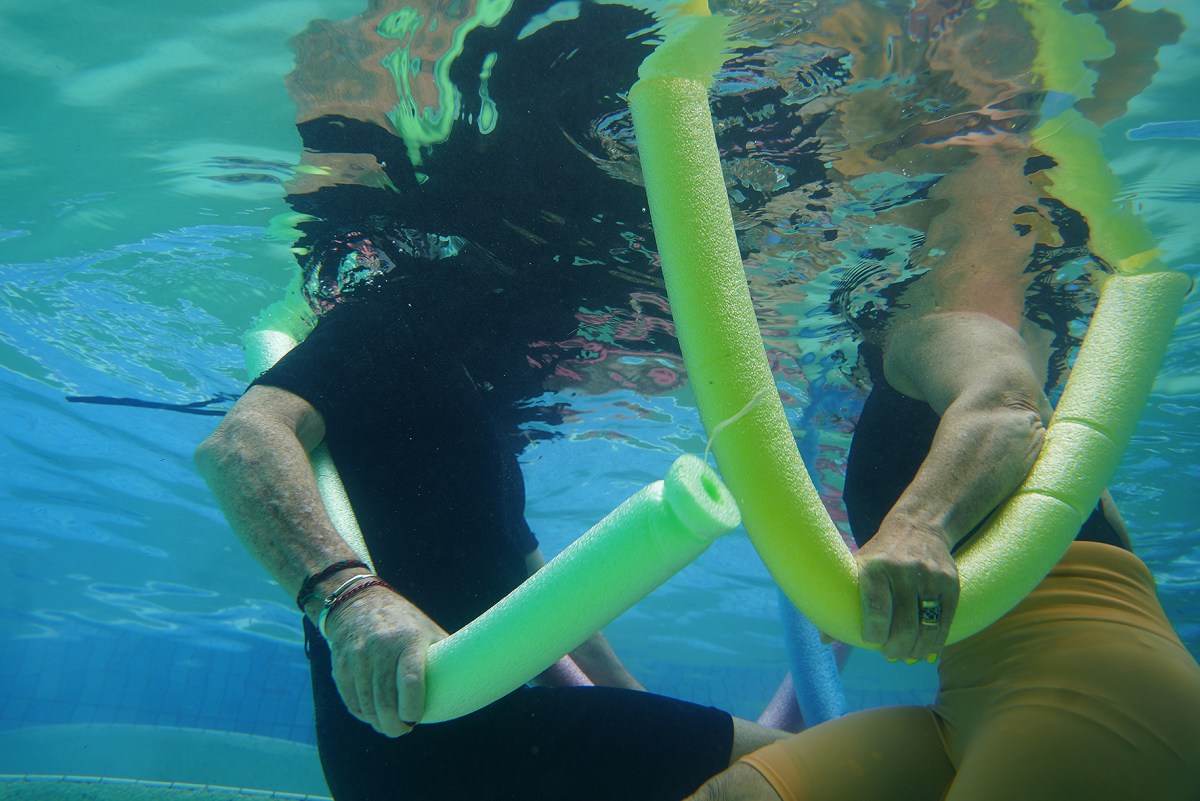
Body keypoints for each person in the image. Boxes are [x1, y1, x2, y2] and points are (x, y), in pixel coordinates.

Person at [196, 1, 789, 799]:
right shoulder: (394, 318)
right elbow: (241, 442)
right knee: (809, 768)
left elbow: (528, 583)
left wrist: (637, 709)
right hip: (437, 742)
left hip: (471, 738)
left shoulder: (469, 395)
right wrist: (352, 601)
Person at [686, 1, 1200, 799]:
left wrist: (919, 524)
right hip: (978, 699)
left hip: (1091, 690)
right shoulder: (915, 353)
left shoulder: (932, 317)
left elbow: (1004, 402)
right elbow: (1081, 503)